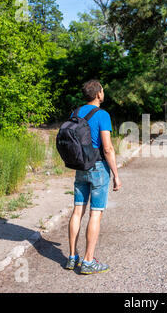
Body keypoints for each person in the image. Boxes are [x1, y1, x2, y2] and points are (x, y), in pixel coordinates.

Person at [65, 79, 122, 274]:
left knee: (77, 211)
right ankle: (88, 260)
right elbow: (107, 148)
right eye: (103, 91)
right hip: (98, 168)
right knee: (95, 213)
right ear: (98, 94)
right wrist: (116, 174)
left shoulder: (75, 113)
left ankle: (72, 257)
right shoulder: (102, 115)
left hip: (80, 167)